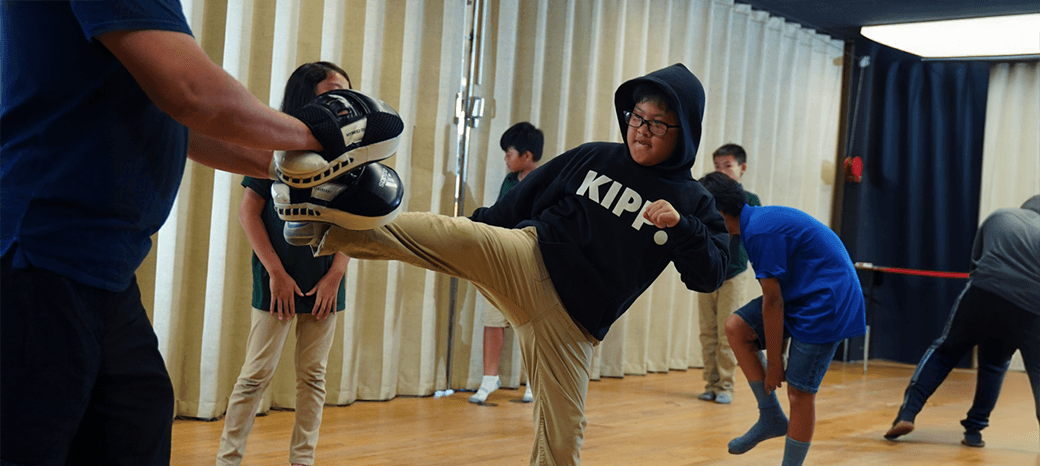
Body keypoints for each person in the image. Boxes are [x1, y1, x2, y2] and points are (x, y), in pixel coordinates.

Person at [278, 63, 730, 465]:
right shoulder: (597, 156)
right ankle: (321, 218)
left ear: (683, 131)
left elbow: (708, 276)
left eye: (657, 124)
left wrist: (683, 227)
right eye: (637, 118)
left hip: (575, 327)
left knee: (562, 442)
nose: (641, 130)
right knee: (447, 235)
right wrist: (484, 231)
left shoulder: (694, 201)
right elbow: (523, 199)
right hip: (530, 257)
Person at [0, 1, 338, 463]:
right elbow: (192, 93)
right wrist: (321, 136)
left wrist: (296, 169)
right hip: (41, 256)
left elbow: (179, 121)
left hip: (102, 266)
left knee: (137, 420)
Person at [216, 62, 353, 466]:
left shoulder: (351, 154)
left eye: (346, 91)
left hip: (327, 281)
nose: (341, 99)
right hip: (278, 280)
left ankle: (302, 460)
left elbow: (357, 221)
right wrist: (276, 272)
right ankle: (228, 459)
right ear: (305, 96)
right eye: (331, 90)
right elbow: (249, 213)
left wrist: (336, 274)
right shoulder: (276, 148)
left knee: (313, 378)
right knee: (255, 375)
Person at [699, 171, 866, 466]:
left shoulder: (760, 231)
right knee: (736, 327)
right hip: (802, 294)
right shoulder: (754, 224)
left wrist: (775, 362)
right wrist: (778, 356)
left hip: (827, 302)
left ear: (718, 211)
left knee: (800, 393)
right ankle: (771, 416)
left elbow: (773, 302)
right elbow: (780, 294)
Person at [884, 195, 1040, 449]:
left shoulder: (1000, 216)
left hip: (985, 290)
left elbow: (975, 262)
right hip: (1032, 305)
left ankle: (907, 414)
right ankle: (974, 429)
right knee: (998, 365)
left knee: (945, 350)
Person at [471, 121, 544, 405]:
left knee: (531, 323)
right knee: (493, 318)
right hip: (501, 256)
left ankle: (533, 381)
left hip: (530, 259)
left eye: (509, 152)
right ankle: (490, 378)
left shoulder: (547, 180)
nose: (506, 158)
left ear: (527, 155)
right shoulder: (509, 181)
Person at [696, 143, 762, 405]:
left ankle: (726, 385)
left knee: (727, 332)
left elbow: (752, 236)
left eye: (728, 166)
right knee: (707, 332)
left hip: (733, 273)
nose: (722, 171)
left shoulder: (750, 200)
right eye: (718, 166)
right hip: (706, 272)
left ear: (742, 169)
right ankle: (710, 383)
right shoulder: (706, 198)